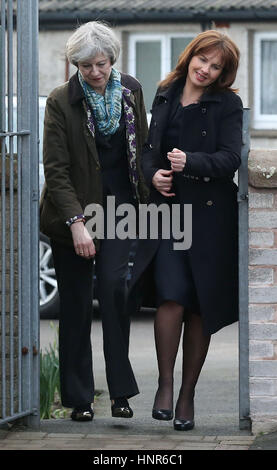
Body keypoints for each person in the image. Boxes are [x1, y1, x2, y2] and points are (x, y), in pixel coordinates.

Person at [128, 30, 243, 431]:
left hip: (210, 220)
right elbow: (146, 150)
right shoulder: (166, 92)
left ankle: (187, 395)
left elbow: (230, 159)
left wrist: (190, 161)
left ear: (223, 73)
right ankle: (164, 383)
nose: (206, 70)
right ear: (191, 55)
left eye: (216, 66)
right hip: (168, 216)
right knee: (171, 297)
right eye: (203, 60)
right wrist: (153, 176)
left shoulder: (227, 104)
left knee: (198, 307)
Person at [40, 21, 148, 421]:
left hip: (119, 211)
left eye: (100, 64)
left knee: (115, 292)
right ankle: (80, 399)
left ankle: (121, 393)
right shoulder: (60, 101)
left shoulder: (132, 91)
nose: (94, 73)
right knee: (76, 306)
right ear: (76, 65)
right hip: (74, 214)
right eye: (85, 66)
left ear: (111, 60)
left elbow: (141, 152)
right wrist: (76, 222)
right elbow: (56, 169)